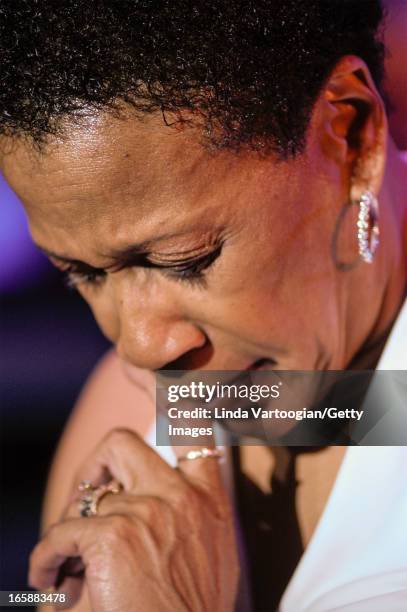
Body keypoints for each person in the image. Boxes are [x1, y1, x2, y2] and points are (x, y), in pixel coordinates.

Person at [1, 1, 406, 610]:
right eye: (80, 273)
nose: (139, 349)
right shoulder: (126, 415)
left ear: (349, 132)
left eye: (185, 260)